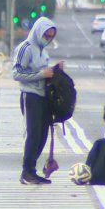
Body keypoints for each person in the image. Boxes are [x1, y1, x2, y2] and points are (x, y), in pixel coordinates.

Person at [12, 16, 64, 185]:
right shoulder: (25, 48)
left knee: (42, 135)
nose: (47, 40)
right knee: (33, 134)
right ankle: (26, 171)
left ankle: (32, 171)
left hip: (43, 97)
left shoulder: (44, 51)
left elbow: (45, 73)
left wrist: (55, 70)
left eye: (50, 37)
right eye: (46, 36)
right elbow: (16, 74)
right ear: (38, 32)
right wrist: (42, 74)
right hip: (30, 96)